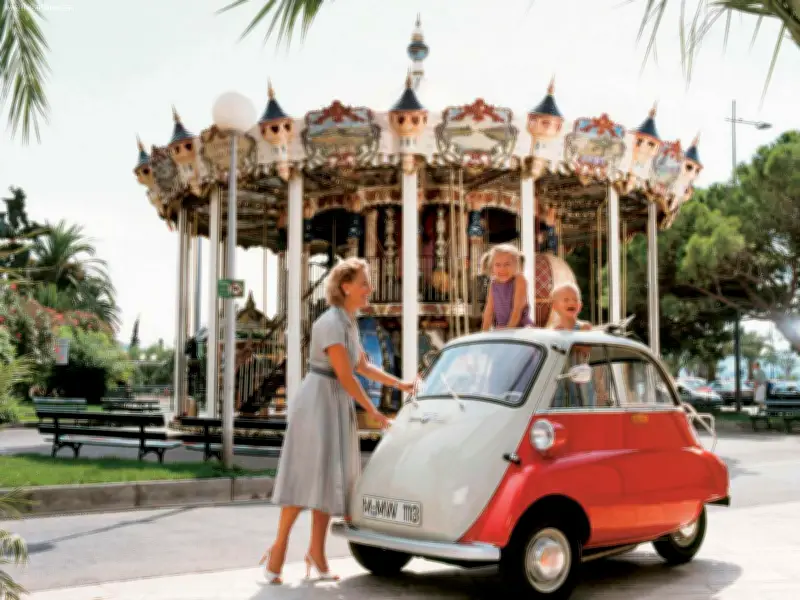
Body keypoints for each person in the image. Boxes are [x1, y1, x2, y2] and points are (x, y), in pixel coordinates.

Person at [260, 257, 417, 585]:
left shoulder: (348, 321)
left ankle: (317, 553)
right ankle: (278, 549)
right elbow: (346, 376)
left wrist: (399, 384)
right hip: (318, 400)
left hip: (333, 401)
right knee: (303, 475)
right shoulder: (330, 322)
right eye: (364, 283)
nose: (369, 289)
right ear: (345, 286)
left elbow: (362, 366)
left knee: (327, 479)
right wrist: (373, 411)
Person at [481, 243, 534, 330]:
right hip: (502, 329)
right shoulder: (494, 283)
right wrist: (483, 333)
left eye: (507, 264)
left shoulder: (519, 280)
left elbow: (517, 310)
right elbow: (489, 311)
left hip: (521, 329)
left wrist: (507, 331)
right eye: (498, 265)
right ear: (491, 267)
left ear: (516, 265)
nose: (502, 269)